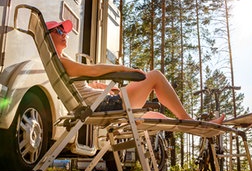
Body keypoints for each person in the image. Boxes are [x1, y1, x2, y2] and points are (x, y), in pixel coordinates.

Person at [46, 19, 225, 125]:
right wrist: (123, 69)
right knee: (154, 75)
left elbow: (85, 83)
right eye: (59, 30)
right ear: (48, 35)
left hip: (103, 103)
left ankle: (198, 127)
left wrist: (101, 88)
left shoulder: (62, 61)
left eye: (65, 31)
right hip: (104, 106)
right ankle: (189, 121)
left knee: (158, 117)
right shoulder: (62, 61)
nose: (65, 34)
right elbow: (93, 70)